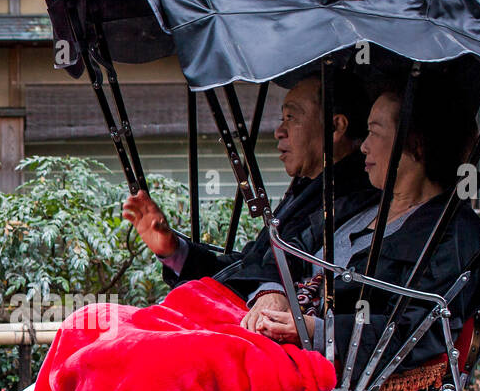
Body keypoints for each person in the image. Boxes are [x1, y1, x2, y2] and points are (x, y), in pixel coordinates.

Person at [250, 81, 480, 383]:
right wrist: (272, 292)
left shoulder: (453, 235)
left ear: (414, 143)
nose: (363, 145)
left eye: (375, 132)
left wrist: (315, 330)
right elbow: (285, 249)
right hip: (269, 333)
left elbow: (416, 331)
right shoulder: (360, 202)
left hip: (326, 371)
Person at [122, 71, 376, 322]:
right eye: (281, 118)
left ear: (335, 127)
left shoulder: (351, 199)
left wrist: (271, 287)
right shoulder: (310, 190)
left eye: (291, 117)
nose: (279, 131)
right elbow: (247, 266)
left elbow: (276, 272)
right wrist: (174, 251)